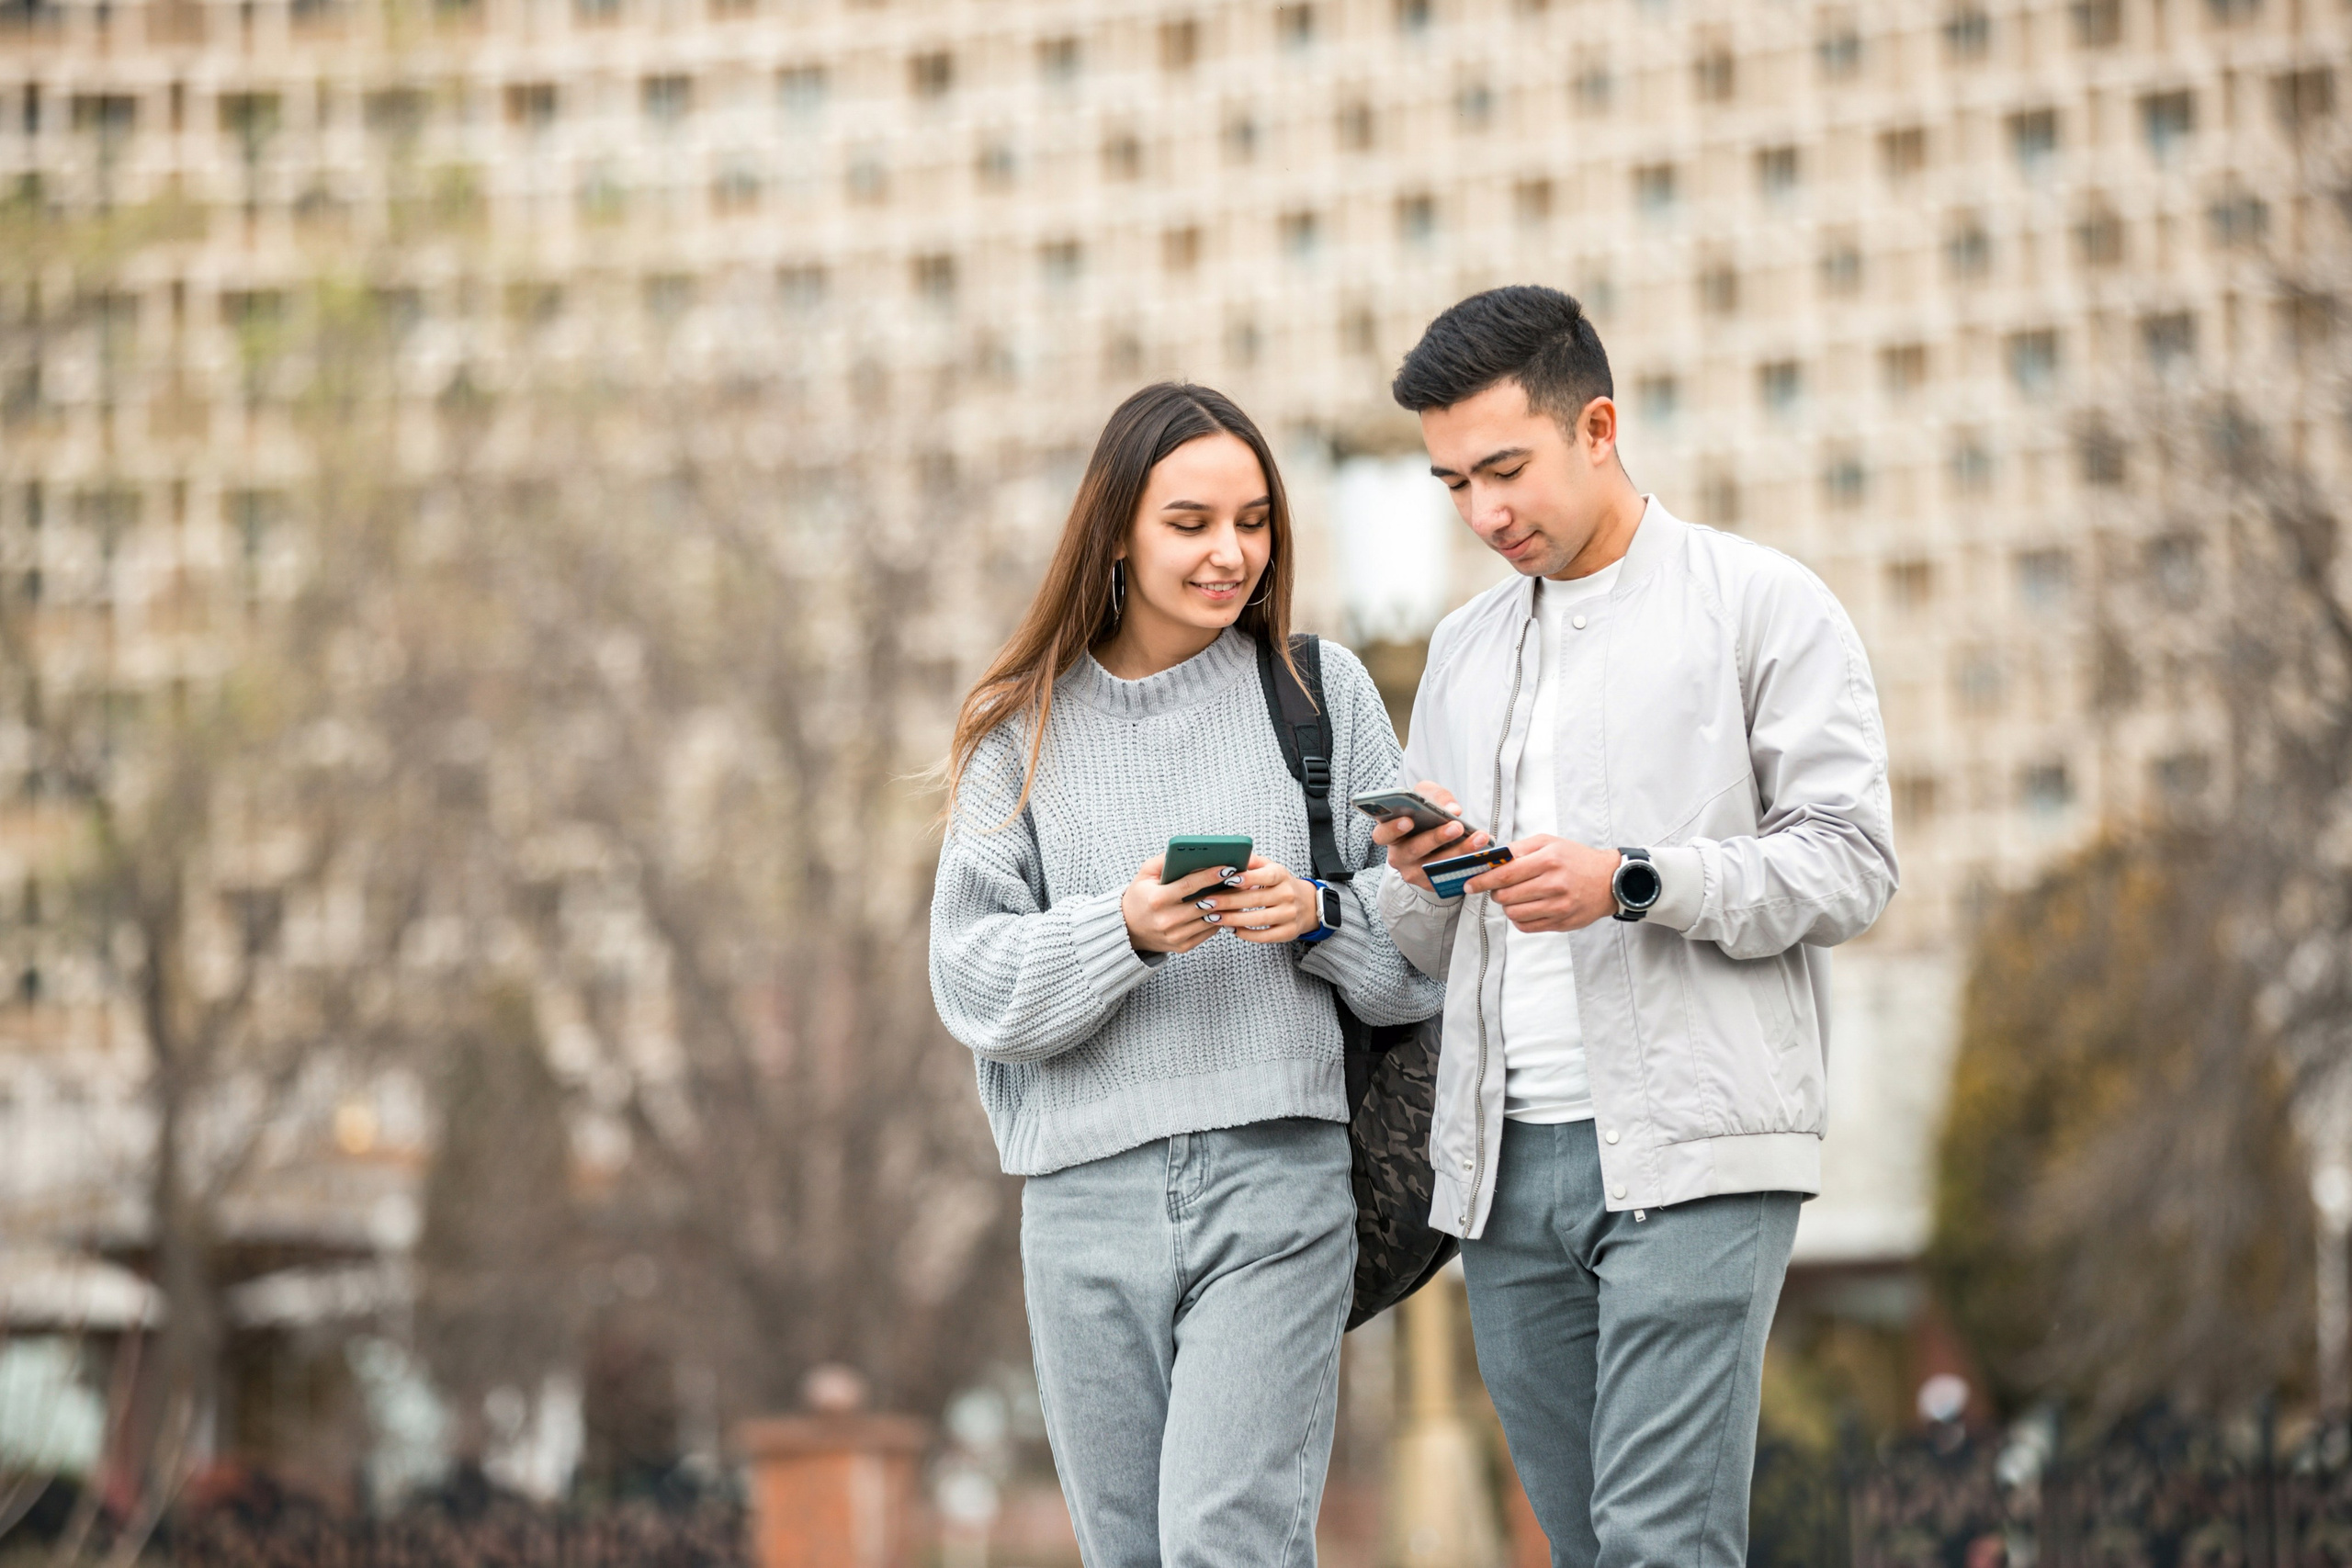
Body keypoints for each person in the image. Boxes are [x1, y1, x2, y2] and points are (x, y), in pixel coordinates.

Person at [1369, 286, 1898, 1567]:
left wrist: (1635, 882)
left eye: (1506, 469)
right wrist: (1421, 877)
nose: (1484, 513)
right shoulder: (1462, 650)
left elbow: (1851, 865)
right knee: (1586, 1547)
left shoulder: (1762, 603)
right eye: (1454, 484)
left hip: (1694, 1154)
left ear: (1598, 427)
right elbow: (1420, 947)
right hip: (1500, 1174)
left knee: (1662, 1544)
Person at [929, 382, 1440, 1567]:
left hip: (1279, 1178)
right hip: (1081, 1200)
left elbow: (1421, 964)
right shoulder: (1018, 727)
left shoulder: (1319, 694)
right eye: (1191, 523)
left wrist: (1317, 917)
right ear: (1116, 531)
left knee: (1226, 1545)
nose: (1230, 554)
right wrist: (1126, 931)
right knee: (1130, 1555)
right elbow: (972, 981)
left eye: (1253, 522)